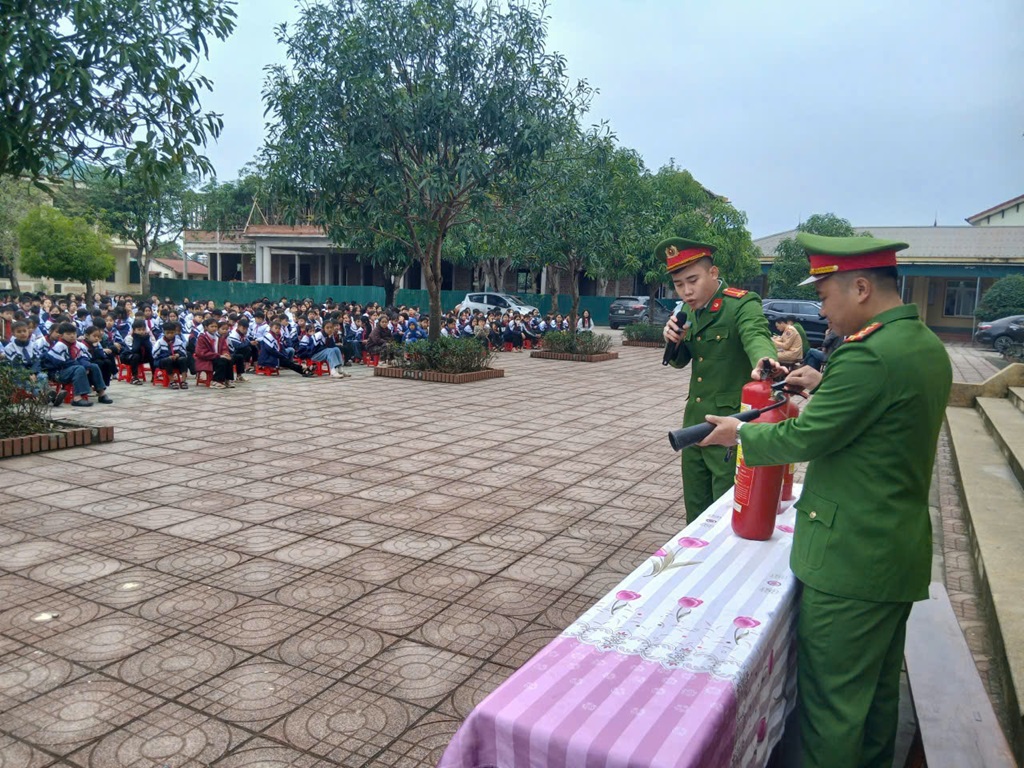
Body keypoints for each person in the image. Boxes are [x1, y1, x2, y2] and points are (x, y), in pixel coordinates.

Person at [700, 233, 953, 768]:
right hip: (894, 553)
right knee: (875, 703)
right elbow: (873, 420)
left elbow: (806, 437)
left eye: (824, 295)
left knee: (830, 713)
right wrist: (821, 385)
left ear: (860, 288)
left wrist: (737, 434)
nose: (821, 310)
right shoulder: (920, 343)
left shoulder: (868, 356)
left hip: (850, 562)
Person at [659, 236, 777, 523]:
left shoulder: (741, 303)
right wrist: (672, 340)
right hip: (694, 424)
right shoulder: (686, 310)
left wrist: (764, 359)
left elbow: (755, 333)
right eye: (678, 284)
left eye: (693, 280)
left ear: (713, 273)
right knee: (695, 508)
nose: (686, 291)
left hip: (728, 425)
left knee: (725, 511)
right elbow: (680, 361)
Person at [194, 317, 234, 389]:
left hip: (217, 357)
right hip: (206, 359)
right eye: (212, 326)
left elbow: (224, 348)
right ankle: (215, 381)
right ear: (206, 327)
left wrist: (225, 354)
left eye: (215, 327)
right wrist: (218, 355)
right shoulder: (202, 338)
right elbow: (201, 352)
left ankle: (227, 380)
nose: (214, 328)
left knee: (229, 360)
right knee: (222, 361)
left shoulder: (219, 337)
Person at [152, 322, 189, 389]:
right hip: (162, 362)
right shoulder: (159, 342)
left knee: (183, 359)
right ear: (164, 332)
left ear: (175, 332)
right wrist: (167, 356)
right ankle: (172, 381)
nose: (170, 335)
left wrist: (178, 354)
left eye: (172, 333)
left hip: (175, 361)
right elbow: (154, 355)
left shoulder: (179, 342)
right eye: (168, 333)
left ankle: (183, 381)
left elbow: (184, 352)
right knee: (168, 360)